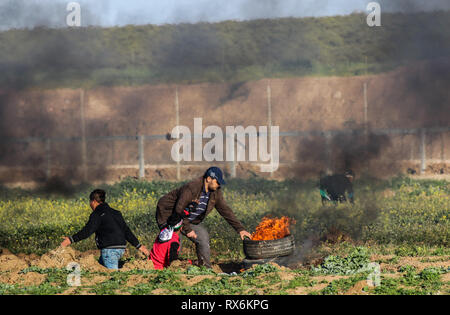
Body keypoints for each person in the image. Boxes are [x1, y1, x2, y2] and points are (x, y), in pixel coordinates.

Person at [155, 166, 252, 268]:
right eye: (217, 182)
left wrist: (240, 229)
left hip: (187, 218)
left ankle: (206, 268)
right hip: (170, 215)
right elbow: (179, 210)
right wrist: (187, 230)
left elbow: (225, 210)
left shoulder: (215, 191)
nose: (219, 185)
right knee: (174, 241)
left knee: (202, 237)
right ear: (208, 179)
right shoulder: (192, 188)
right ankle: (169, 268)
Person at [61, 189, 150, 269]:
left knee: (113, 279)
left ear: (93, 201)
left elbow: (87, 231)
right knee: (99, 271)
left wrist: (71, 239)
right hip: (121, 249)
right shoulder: (116, 213)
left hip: (110, 251)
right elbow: (126, 231)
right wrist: (139, 246)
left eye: (90, 202)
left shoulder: (97, 214)